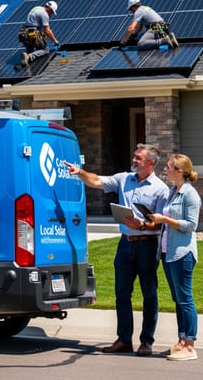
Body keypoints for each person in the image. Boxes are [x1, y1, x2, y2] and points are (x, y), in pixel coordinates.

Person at [64, 144, 169, 357]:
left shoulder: (160, 189)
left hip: (147, 246)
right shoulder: (124, 179)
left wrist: (141, 225)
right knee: (121, 293)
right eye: (134, 156)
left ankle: (146, 342)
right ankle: (123, 340)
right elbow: (96, 181)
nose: (134, 159)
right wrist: (79, 172)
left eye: (138, 158)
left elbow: (161, 224)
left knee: (149, 294)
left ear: (150, 163)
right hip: (125, 244)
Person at [149, 153, 201, 361]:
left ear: (179, 171)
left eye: (169, 166)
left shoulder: (190, 194)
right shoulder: (173, 192)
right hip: (167, 253)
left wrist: (165, 219)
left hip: (182, 253)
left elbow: (191, 225)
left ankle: (190, 345)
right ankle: (181, 340)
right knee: (178, 299)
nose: (166, 169)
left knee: (185, 299)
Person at [19, 0, 60, 66]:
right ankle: (29, 56)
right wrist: (55, 41)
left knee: (30, 51)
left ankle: (26, 58)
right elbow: (47, 30)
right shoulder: (44, 14)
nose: (51, 14)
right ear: (50, 9)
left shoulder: (36, 8)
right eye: (52, 12)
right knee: (45, 50)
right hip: (33, 34)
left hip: (23, 34)